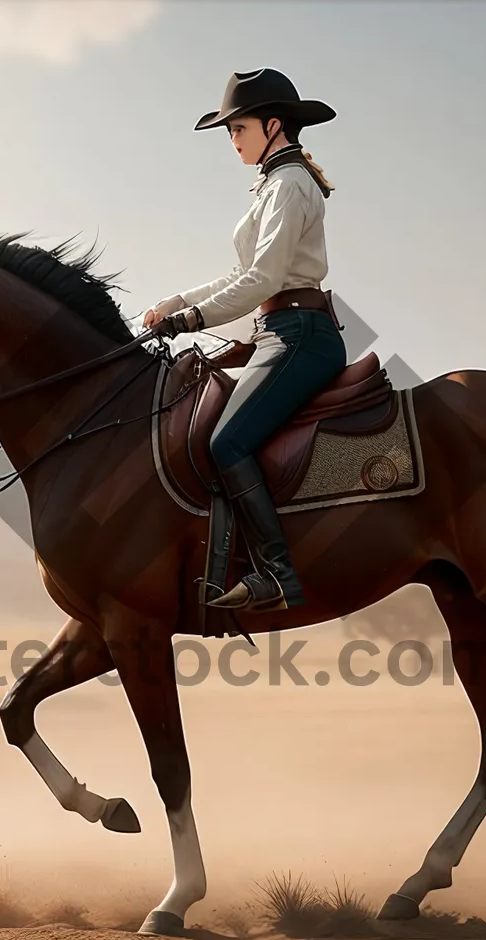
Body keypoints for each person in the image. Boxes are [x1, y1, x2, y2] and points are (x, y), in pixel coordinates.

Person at [144, 69, 348, 611]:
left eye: (239, 128)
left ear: (273, 125)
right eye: (229, 131)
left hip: (299, 334)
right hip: (276, 330)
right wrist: (174, 303)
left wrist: (190, 321)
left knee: (227, 442)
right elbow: (243, 274)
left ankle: (278, 574)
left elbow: (261, 281)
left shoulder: (288, 185)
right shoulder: (275, 184)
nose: (232, 139)